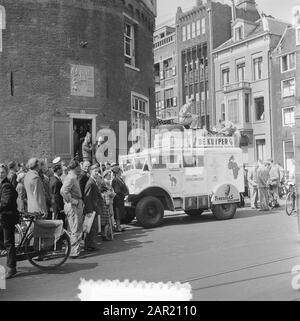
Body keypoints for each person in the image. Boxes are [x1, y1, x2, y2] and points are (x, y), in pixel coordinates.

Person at [60, 160, 84, 259]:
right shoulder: (71, 177)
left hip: (74, 205)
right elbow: (63, 191)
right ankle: (73, 251)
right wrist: (73, 201)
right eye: (79, 166)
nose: (80, 168)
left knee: (72, 228)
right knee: (75, 228)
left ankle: (70, 249)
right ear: (76, 167)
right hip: (74, 206)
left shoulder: (71, 177)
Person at [0, 164, 19, 279]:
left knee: (9, 243)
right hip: (4, 217)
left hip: (7, 218)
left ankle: (12, 268)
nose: (0, 173)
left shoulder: (6, 185)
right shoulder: (2, 184)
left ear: (6, 173)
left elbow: (5, 203)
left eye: (2, 172)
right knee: (5, 242)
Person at [83, 164, 102, 251]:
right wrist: (89, 211)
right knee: (91, 228)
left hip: (94, 208)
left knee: (93, 228)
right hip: (92, 209)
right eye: (95, 171)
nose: (97, 173)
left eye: (98, 171)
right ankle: (89, 245)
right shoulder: (90, 182)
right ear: (91, 172)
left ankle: (91, 244)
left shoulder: (93, 181)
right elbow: (87, 197)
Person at [112, 165, 129, 232]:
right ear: (117, 172)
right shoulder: (115, 180)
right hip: (118, 199)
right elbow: (117, 191)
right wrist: (124, 194)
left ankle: (119, 226)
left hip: (121, 198)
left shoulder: (120, 179)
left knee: (120, 213)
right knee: (117, 213)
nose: (121, 172)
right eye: (120, 171)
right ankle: (118, 227)